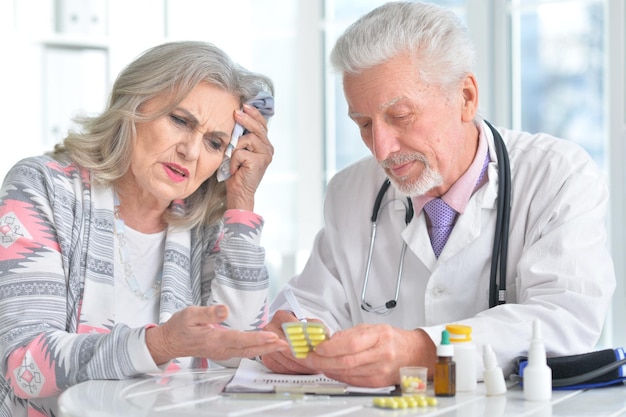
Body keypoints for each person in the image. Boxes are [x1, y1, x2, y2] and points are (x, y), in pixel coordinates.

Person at [262, 1, 616, 388]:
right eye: (364, 123)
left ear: (465, 97)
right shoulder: (351, 192)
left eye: (400, 117)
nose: (381, 148)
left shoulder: (557, 175)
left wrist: (421, 350)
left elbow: (566, 318)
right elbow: (311, 303)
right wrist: (291, 331)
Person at [0, 41, 289, 416]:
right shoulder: (42, 188)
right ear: (133, 106)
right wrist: (160, 344)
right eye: (181, 121)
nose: (191, 151)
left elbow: (238, 357)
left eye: (215, 142)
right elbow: (26, 366)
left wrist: (241, 203)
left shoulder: (207, 225)